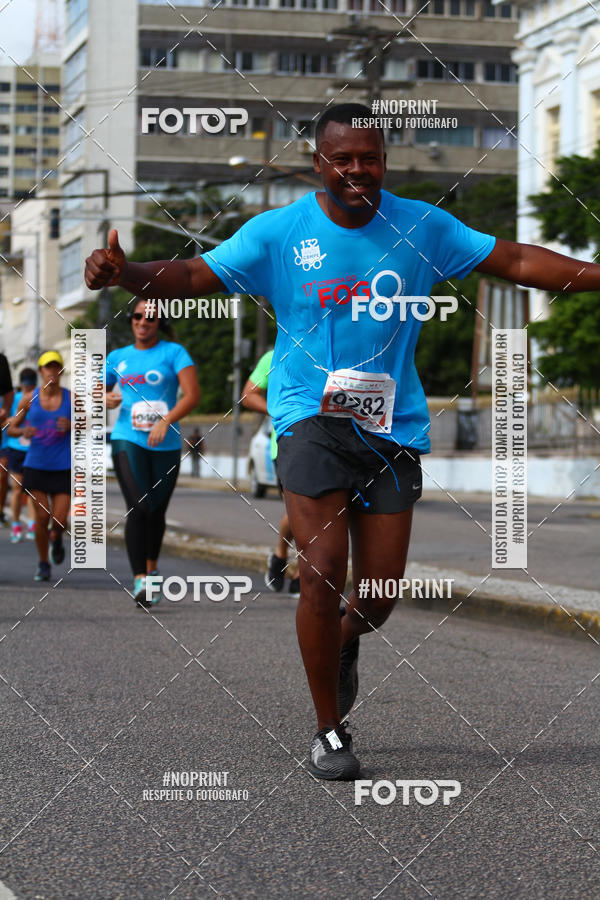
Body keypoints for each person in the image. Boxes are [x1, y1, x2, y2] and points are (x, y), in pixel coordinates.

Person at [85, 102, 600, 780]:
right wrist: (124, 274)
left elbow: (516, 258)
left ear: (383, 159)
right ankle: (328, 728)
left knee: (379, 596)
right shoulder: (278, 232)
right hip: (307, 418)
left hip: (393, 427)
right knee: (322, 570)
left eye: (370, 157)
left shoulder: (423, 225)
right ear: (318, 164)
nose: (358, 169)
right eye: (343, 158)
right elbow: (190, 276)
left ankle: (346, 640)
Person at [105, 298, 200, 607]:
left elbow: (192, 395)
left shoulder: (174, 353)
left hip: (166, 444)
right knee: (140, 507)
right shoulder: (117, 357)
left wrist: (166, 421)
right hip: (126, 438)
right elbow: (93, 391)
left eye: (150, 318)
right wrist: (104, 398)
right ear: (131, 319)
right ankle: (140, 580)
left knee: (157, 511)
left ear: (159, 323)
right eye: (137, 316)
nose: (142, 323)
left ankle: (152, 569)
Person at [241, 349, 300, 595]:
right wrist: (278, 411)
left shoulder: (336, 346)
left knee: (322, 517)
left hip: (333, 446)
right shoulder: (275, 355)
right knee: (299, 514)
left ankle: (297, 570)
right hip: (287, 445)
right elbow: (248, 395)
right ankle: (283, 556)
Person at [10, 351, 70, 581]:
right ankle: (43, 562)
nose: (52, 371)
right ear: (40, 371)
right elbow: (12, 428)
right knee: (43, 517)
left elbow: (88, 425)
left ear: (61, 371)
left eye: (56, 367)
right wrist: (23, 431)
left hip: (63, 466)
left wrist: (72, 424)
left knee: (60, 520)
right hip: (36, 465)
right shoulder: (29, 399)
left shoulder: (71, 398)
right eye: (48, 367)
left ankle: (57, 537)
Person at [5, 367, 37, 542]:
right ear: (20, 385)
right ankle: (16, 524)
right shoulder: (16, 399)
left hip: (34, 449)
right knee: (17, 489)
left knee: (32, 490)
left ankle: (32, 524)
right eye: (26, 388)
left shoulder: (39, 398)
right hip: (16, 448)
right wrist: (19, 417)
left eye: (31, 387)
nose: (28, 391)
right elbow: (7, 422)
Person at [0, 351, 14, 527]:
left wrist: (5, 411)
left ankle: (0, 509)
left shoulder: (1, 361)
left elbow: (8, 393)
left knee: (2, 472)